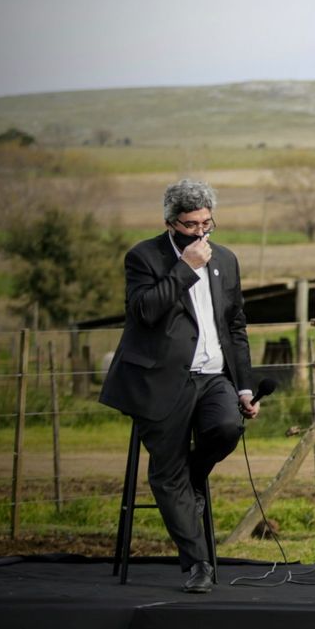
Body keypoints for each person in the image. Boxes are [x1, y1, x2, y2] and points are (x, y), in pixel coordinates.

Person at [100, 179, 257, 594]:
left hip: (213, 378)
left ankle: (191, 475)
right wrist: (185, 268)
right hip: (159, 381)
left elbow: (235, 326)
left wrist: (244, 387)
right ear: (171, 223)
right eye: (191, 225)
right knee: (166, 475)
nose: (202, 233)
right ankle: (199, 564)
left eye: (207, 222)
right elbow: (145, 311)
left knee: (227, 428)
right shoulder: (144, 257)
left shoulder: (225, 259)